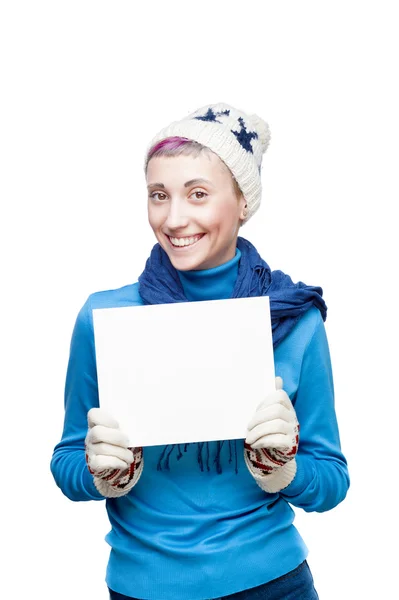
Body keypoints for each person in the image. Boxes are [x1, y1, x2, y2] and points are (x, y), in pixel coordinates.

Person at [50, 102, 350, 600]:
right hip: (143, 587)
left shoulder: (296, 321)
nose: (174, 218)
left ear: (242, 204)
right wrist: (102, 472)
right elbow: (66, 461)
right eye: (158, 195)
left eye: (198, 194)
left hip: (274, 584)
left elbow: (333, 479)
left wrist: (286, 472)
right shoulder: (104, 318)